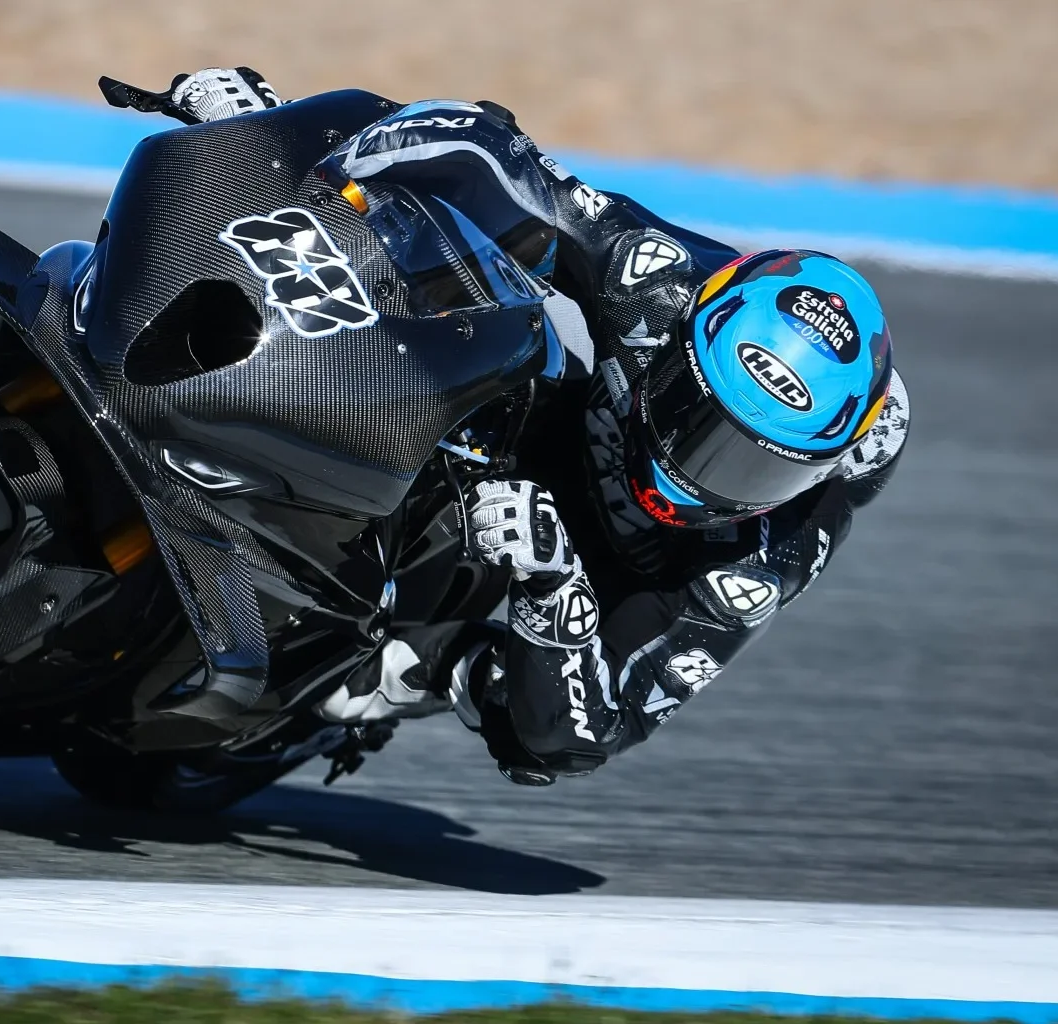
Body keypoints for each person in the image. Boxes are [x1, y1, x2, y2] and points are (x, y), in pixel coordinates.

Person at [163, 68, 911, 786]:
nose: (701, 473)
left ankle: (431, 669)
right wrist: (277, 135)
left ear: (815, 473)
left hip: (608, 564)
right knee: (464, 279)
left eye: (759, 469)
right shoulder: (651, 279)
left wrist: (554, 587)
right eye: (699, 421)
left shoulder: (765, 556)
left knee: (530, 735)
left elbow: (592, 736)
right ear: (682, 347)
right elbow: (480, 147)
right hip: (557, 418)